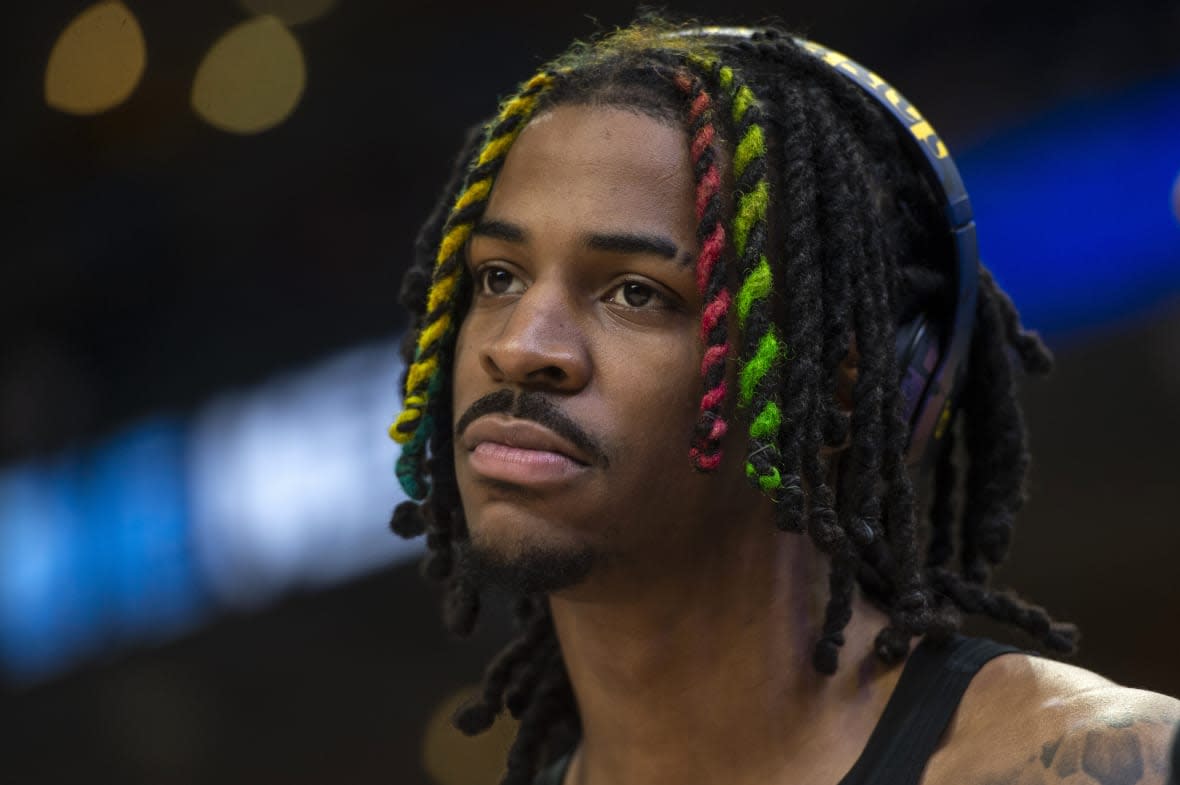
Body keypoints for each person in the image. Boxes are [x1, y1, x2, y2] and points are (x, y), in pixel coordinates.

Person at [386, 19, 1180, 785]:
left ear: (837, 384)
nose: (521, 346)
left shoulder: (1101, 763)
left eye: (636, 292)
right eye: (498, 277)